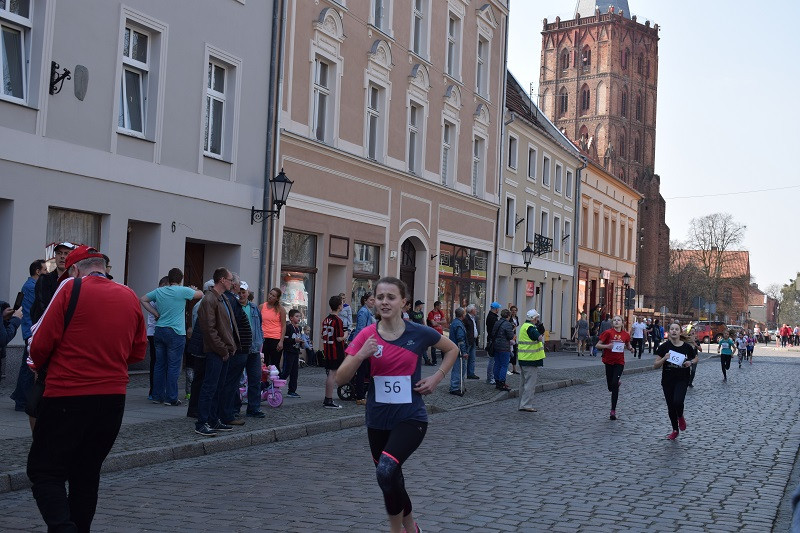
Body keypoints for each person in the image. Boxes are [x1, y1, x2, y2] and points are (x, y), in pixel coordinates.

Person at [26, 245, 147, 531]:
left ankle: (63, 527)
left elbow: (40, 345)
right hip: (112, 399)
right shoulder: (129, 295)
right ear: (103, 268)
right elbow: (138, 352)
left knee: (45, 471)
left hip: (67, 393)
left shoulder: (70, 289)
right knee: (86, 474)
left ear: (75, 270)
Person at [336, 276, 458, 533]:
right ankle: (411, 528)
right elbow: (340, 378)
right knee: (391, 477)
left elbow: (452, 349)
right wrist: (361, 355)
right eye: (380, 297)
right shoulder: (367, 335)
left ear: (403, 302)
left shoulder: (419, 332)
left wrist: (436, 378)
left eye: (391, 297)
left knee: (386, 470)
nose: (384, 302)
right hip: (378, 418)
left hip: (411, 417)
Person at [13, 244, 73, 413]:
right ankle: (26, 402)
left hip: (68, 340)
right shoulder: (45, 280)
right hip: (46, 336)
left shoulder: (76, 281)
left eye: (66, 254)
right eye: (59, 253)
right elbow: (38, 310)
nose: (62, 257)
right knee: (36, 379)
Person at [140, 268, 202, 406]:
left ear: (168, 278)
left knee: (159, 365)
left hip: (160, 330)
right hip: (176, 332)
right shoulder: (182, 290)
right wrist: (192, 289)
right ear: (181, 278)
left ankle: (156, 395)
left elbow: (143, 299)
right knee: (174, 366)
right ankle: (171, 398)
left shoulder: (159, 291)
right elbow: (201, 294)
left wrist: (155, 313)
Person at [195, 268, 240, 437]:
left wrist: (231, 347)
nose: (232, 283)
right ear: (222, 280)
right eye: (230, 280)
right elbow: (209, 329)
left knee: (218, 387)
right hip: (216, 351)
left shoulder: (223, 299)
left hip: (225, 350)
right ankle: (202, 422)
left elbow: (228, 325)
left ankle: (214, 419)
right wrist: (222, 349)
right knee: (209, 387)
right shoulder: (210, 299)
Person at [653, 323, 699, 440]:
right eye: (672, 329)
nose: (674, 331)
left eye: (676, 329)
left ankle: (680, 416)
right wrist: (664, 358)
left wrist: (690, 362)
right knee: (670, 406)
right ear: (669, 332)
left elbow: (696, 358)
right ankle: (675, 430)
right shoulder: (664, 347)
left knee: (678, 401)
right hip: (667, 380)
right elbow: (655, 365)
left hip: (682, 378)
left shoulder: (686, 347)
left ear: (680, 332)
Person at [220, 274, 251, 426]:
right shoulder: (230, 300)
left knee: (231, 383)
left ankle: (227, 412)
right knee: (230, 383)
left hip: (240, 349)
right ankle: (227, 414)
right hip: (237, 350)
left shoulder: (230, 300)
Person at [596, 315, 632, 420]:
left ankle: (613, 411)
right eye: (614, 320)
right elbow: (598, 345)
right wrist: (607, 346)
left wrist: (631, 348)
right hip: (608, 361)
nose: (616, 322)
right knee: (610, 387)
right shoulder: (608, 333)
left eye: (618, 320)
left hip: (619, 362)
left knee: (614, 385)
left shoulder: (626, 334)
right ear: (612, 323)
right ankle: (615, 383)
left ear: (622, 323)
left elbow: (628, 344)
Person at [239, 282, 265, 417]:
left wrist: (260, 341)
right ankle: (234, 409)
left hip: (254, 348)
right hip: (240, 349)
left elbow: (259, 325)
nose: (242, 295)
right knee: (237, 380)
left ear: (248, 293)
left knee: (255, 379)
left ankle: (254, 408)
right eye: (240, 292)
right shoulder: (235, 307)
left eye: (244, 292)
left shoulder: (254, 308)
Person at [321, 295, 348, 409]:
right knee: (332, 374)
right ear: (339, 306)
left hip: (328, 349)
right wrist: (346, 334)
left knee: (331, 374)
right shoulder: (338, 321)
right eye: (342, 304)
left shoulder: (326, 319)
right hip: (336, 350)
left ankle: (328, 398)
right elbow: (339, 338)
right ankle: (328, 399)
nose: (343, 305)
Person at [145, 276, 168, 401]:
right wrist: (156, 314)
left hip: (154, 331)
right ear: (163, 285)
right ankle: (155, 390)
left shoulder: (157, 295)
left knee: (157, 363)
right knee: (157, 363)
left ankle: (155, 390)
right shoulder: (158, 295)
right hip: (154, 332)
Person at [517, 309, 545, 412]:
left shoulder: (524, 326)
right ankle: (526, 405)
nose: (537, 320)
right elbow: (539, 338)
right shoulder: (531, 328)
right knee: (529, 384)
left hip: (523, 358)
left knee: (523, 384)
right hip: (531, 359)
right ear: (533, 318)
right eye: (537, 318)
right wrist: (540, 333)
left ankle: (522, 403)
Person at [352, 292, 377, 405]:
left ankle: (364, 393)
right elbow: (361, 330)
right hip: (363, 345)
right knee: (362, 371)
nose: (373, 302)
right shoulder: (363, 312)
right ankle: (360, 396)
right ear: (365, 300)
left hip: (368, 344)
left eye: (374, 300)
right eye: (371, 300)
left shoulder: (369, 311)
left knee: (367, 370)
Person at [260, 287, 287, 367]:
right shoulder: (261, 307)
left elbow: (283, 325)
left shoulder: (281, 309)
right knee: (263, 362)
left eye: (273, 295)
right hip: (263, 337)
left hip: (275, 338)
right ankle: (264, 379)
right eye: (270, 294)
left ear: (277, 298)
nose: (270, 296)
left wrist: (281, 341)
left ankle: (275, 378)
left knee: (275, 364)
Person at [490, 309, 515, 391]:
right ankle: (502, 382)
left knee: (497, 364)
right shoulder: (507, 324)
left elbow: (493, 333)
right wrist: (513, 329)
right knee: (504, 365)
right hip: (504, 347)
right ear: (508, 316)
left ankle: (497, 381)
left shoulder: (497, 322)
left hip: (496, 346)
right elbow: (511, 336)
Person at [282, 309, 303, 398]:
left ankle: (292, 390)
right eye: (296, 316)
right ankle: (275, 385)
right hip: (289, 352)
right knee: (286, 370)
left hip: (295, 352)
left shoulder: (299, 328)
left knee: (295, 372)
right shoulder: (288, 327)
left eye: (299, 317)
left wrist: (301, 343)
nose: (299, 318)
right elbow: (285, 340)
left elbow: (298, 339)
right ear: (291, 318)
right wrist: (294, 340)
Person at [448, 308, 468, 396]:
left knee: (459, 368)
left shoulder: (455, 322)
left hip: (454, 348)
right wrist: (464, 352)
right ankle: (454, 387)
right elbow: (460, 339)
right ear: (462, 315)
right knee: (458, 368)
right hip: (457, 350)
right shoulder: (458, 324)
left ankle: (457, 385)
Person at [426, 301, 446, 365]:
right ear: (436, 306)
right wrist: (440, 322)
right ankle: (434, 361)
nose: (441, 307)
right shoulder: (431, 313)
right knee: (433, 347)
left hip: (440, 331)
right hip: (434, 332)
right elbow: (433, 323)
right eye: (440, 306)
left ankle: (444, 361)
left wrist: (437, 322)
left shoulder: (440, 312)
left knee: (443, 347)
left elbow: (444, 321)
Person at [485, 301, 501, 384]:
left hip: (492, 339)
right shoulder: (493, 317)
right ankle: (490, 378)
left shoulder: (491, 316)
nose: (499, 310)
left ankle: (491, 377)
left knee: (493, 360)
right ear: (496, 309)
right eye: (498, 308)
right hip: (492, 340)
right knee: (492, 360)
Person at [463, 304, 480, 379]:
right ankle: (463, 373)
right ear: (471, 311)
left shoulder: (474, 318)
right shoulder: (466, 318)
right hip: (468, 340)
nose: (476, 310)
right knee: (465, 357)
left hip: (473, 340)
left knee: (472, 358)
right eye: (475, 309)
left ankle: (471, 373)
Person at [508, 306, 520, 374]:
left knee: (514, 351)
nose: (514, 311)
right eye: (512, 310)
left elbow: (517, 325)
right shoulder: (509, 318)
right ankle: (507, 368)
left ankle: (514, 368)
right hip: (510, 335)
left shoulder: (516, 318)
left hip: (514, 336)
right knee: (509, 351)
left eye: (515, 310)